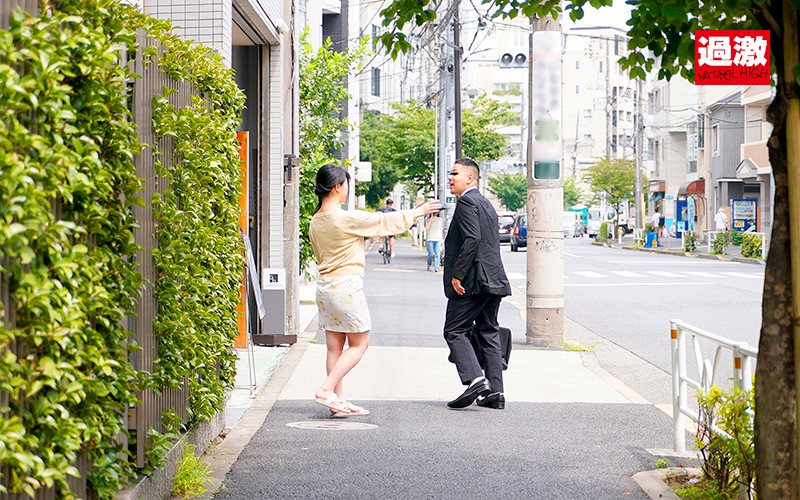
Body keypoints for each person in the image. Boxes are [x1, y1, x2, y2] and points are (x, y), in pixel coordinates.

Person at [309, 165, 441, 417]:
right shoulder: (344, 218)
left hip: (325, 288)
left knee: (334, 348)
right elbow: (382, 222)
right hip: (346, 288)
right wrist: (418, 212)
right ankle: (326, 390)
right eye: (346, 185)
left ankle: (338, 402)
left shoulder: (316, 220)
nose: (347, 189)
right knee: (359, 344)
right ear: (337, 187)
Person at [442, 158, 511, 410]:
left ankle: (476, 380)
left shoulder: (467, 202)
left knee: (454, 330)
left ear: (470, 178)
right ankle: (496, 393)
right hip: (493, 279)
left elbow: (472, 239)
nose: (450, 178)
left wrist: (457, 275)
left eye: (455, 173)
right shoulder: (486, 203)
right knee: (488, 331)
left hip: (473, 281)